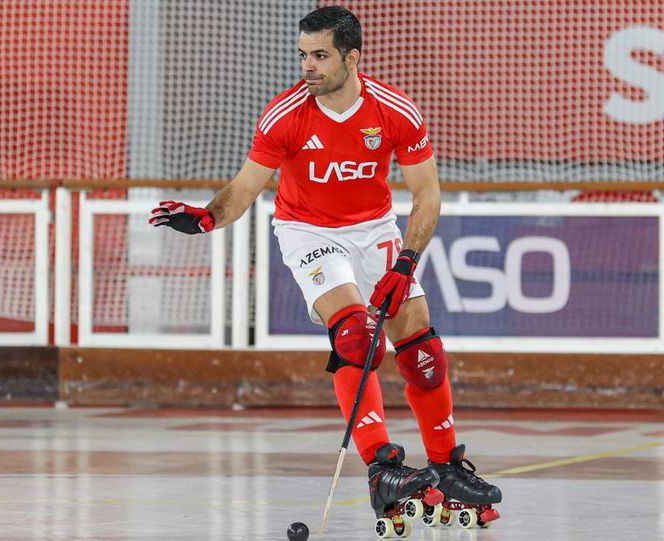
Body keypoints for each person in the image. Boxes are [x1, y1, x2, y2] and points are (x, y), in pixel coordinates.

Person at [150, 5, 501, 529]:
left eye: (319, 56)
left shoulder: (395, 111)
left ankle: (447, 467)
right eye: (303, 55)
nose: (307, 66)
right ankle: (382, 465)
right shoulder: (285, 114)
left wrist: (405, 262)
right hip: (308, 231)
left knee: (423, 351)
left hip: (374, 230)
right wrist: (206, 218)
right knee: (358, 338)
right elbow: (245, 189)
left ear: (351, 57)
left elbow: (427, 195)